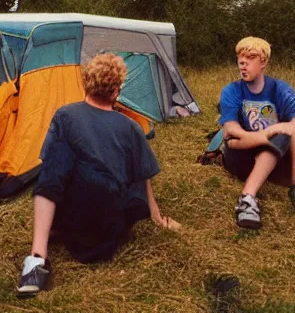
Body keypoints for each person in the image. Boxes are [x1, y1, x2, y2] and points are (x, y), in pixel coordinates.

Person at [16, 53, 179, 298]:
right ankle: (50, 242)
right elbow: (143, 177)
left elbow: (49, 167)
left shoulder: (65, 115)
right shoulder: (132, 127)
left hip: (75, 220)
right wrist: (155, 215)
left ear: (85, 83)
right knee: (109, 176)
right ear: (116, 92)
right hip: (107, 237)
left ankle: (38, 258)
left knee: (59, 154)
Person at [218, 37, 295, 230]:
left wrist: (246, 139)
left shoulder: (280, 88)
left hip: (270, 155)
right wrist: (267, 133)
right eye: (240, 59)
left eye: (250, 58)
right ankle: (247, 198)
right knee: (237, 142)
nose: (243, 64)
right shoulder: (231, 90)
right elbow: (231, 130)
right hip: (240, 159)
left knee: (290, 127)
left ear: (263, 62)